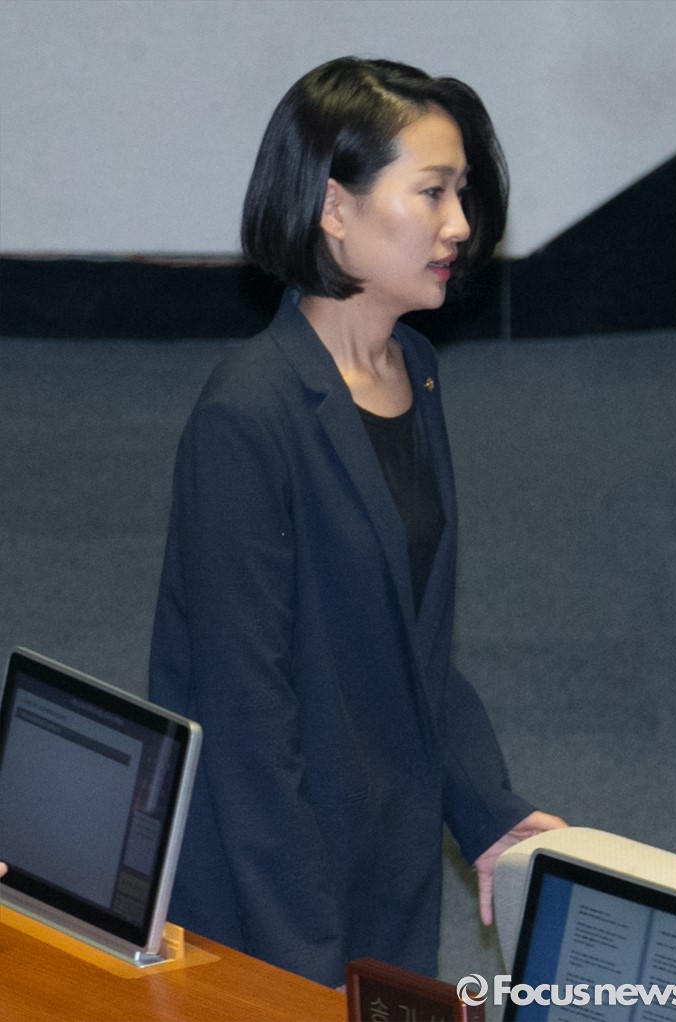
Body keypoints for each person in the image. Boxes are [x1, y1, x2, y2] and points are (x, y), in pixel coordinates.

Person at [149, 56, 565, 988]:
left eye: (461, 192)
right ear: (334, 208)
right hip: (274, 892)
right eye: (432, 191)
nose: (460, 225)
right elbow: (245, 720)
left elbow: (410, 639)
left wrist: (484, 808)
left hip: (385, 852)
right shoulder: (246, 417)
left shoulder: (412, 369)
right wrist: (307, 965)